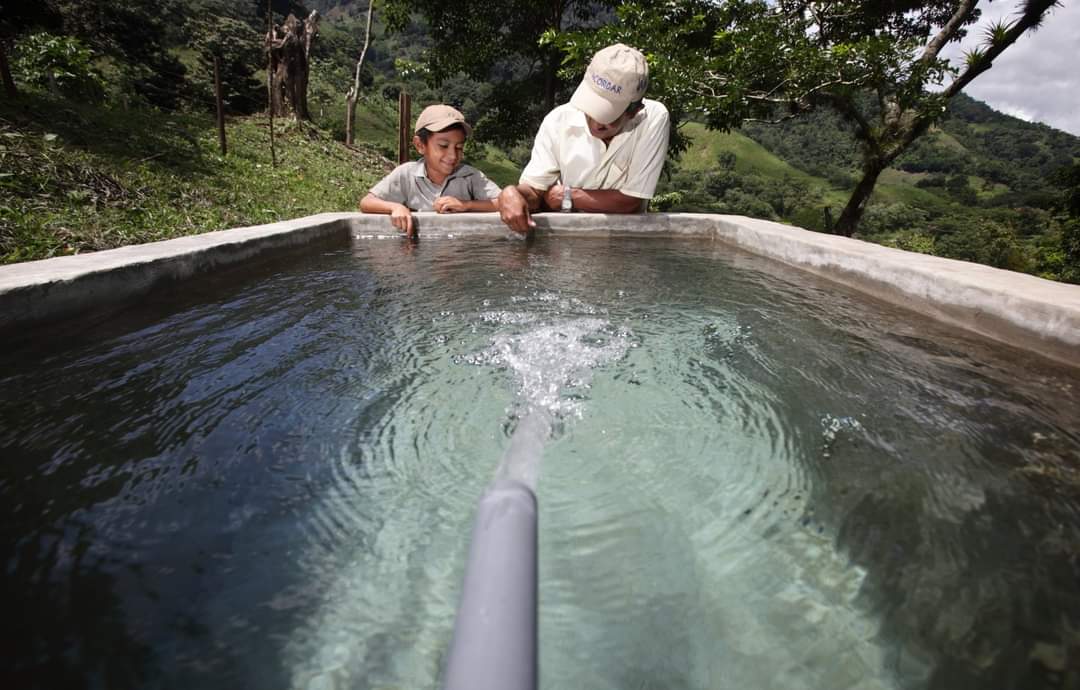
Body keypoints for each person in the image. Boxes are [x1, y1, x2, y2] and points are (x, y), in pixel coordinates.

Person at [497, 43, 670, 233]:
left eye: (607, 117)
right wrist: (512, 193)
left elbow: (631, 202)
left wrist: (566, 196)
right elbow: (535, 191)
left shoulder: (654, 118)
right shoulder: (558, 121)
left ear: (634, 111)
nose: (596, 123)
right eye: (590, 109)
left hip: (625, 245)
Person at [360, 104, 501, 236]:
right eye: (443, 146)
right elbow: (367, 202)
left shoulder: (470, 176)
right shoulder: (406, 174)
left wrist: (466, 205)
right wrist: (395, 207)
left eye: (459, 147)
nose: (452, 155)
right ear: (420, 145)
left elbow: (502, 202)